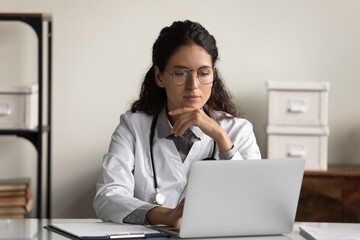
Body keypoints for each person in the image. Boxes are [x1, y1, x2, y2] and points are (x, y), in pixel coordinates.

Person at [93, 20, 261, 227]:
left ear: (213, 75)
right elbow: (108, 196)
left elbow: (256, 203)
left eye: (203, 73)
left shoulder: (238, 131)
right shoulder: (133, 127)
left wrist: (221, 138)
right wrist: (164, 216)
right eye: (180, 73)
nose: (194, 86)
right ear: (159, 76)